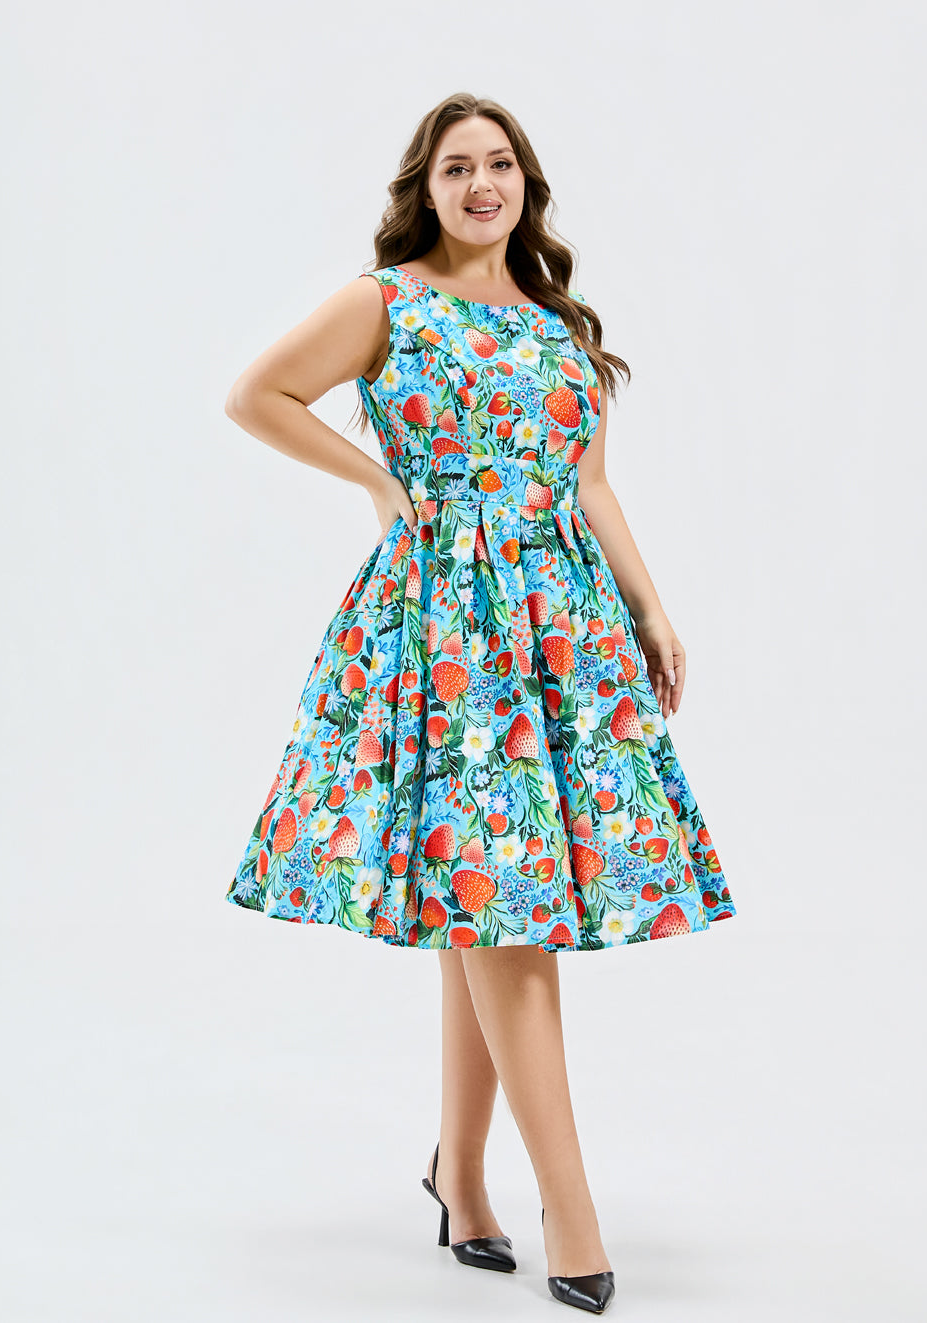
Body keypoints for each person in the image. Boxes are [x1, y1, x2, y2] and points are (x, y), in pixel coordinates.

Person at [223, 91, 737, 1316]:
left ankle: (459, 1177)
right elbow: (259, 396)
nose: (480, 184)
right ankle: (571, 1207)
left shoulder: (559, 325)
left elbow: (591, 485)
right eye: (455, 167)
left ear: (525, 185)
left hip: (561, 625)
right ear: (426, 188)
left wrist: (651, 609)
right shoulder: (387, 301)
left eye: (498, 163)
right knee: (502, 894)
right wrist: (380, 486)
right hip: (444, 625)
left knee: (490, 893)